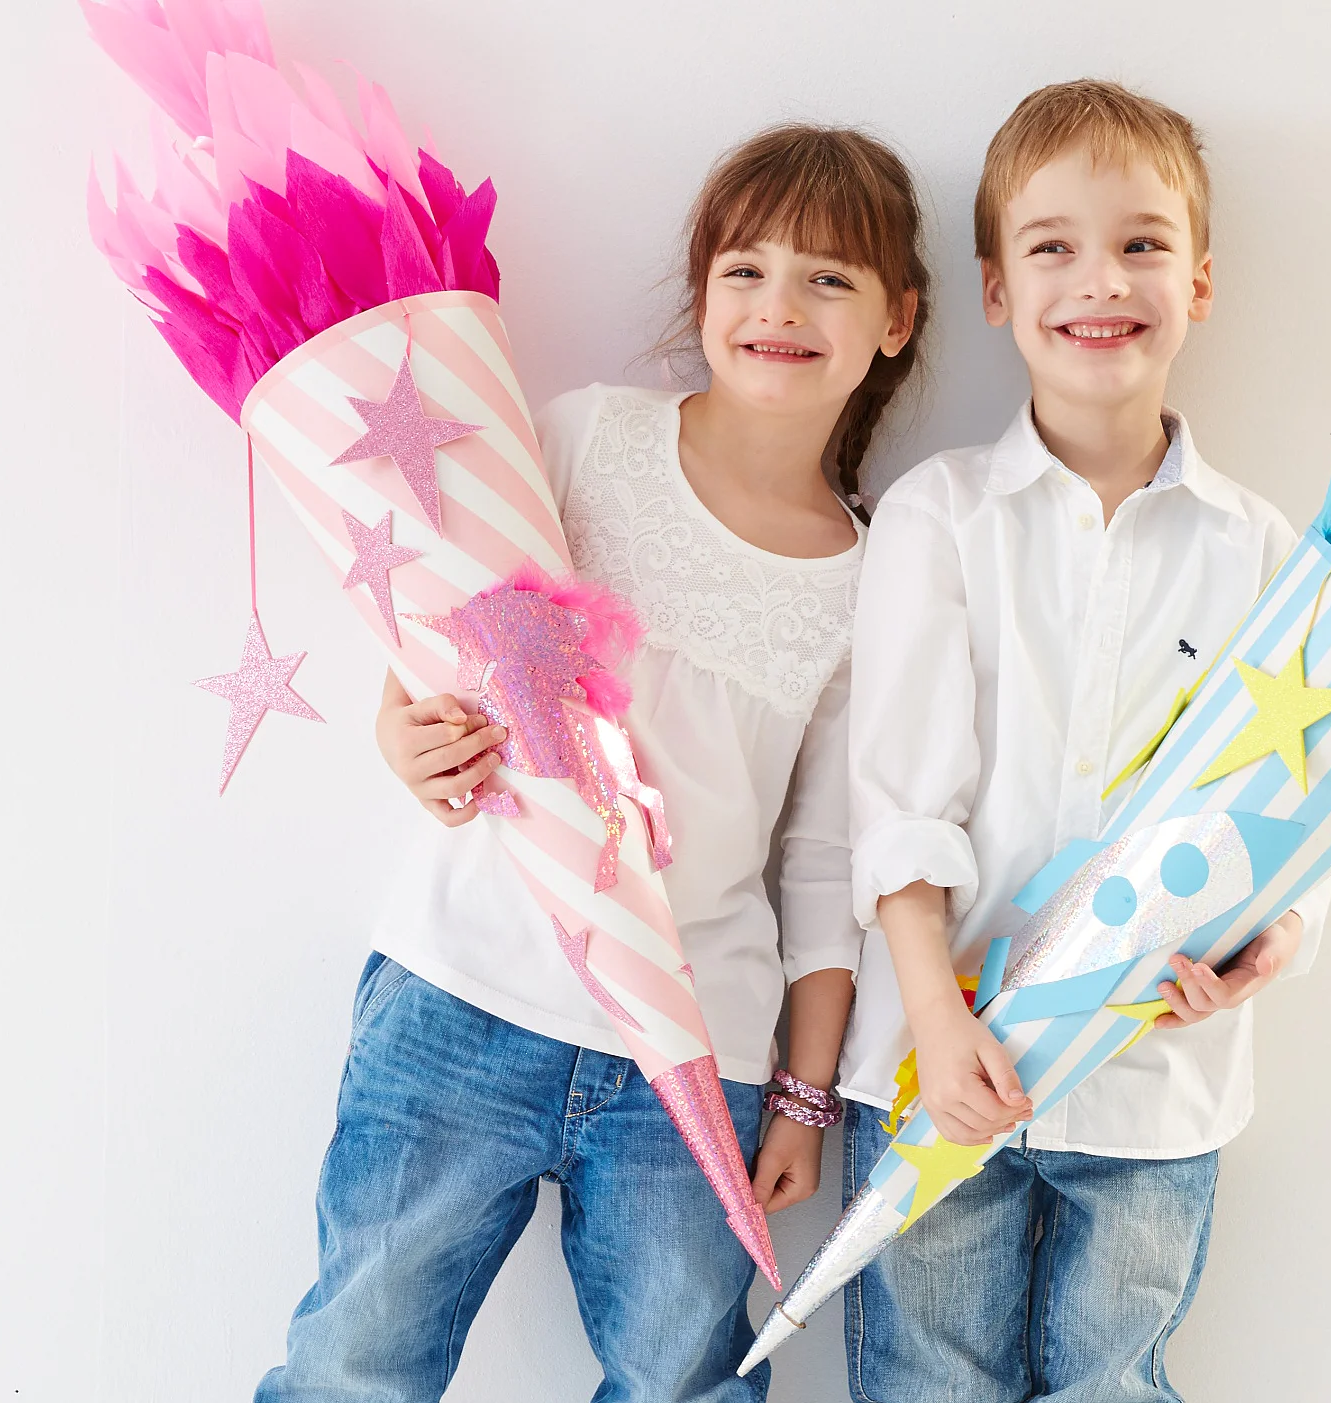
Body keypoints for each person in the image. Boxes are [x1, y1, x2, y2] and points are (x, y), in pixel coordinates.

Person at [257, 124, 930, 1403]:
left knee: (686, 1378)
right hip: (468, 993)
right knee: (355, 1358)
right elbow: (449, 611)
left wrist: (803, 1092)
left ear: (895, 319)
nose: (778, 306)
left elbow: (826, 857)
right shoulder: (588, 438)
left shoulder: (873, 571)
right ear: (701, 294)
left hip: (696, 1050)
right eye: (746, 270)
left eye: (829, 279)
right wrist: (404, 724)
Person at [840, 80, 1331, 1402]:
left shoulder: (1266, 552)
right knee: (923, 1380)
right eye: (1051, 245)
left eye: (1142, 242)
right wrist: (938, 1031)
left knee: (1113, 1380)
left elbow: (1301, 810)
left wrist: (1262, 949)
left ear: (1201, 281)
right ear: (997, 291)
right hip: (939, 1064)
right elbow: (897, 798)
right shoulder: (939, 515)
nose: (1099, 279)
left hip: (1152, 1086)